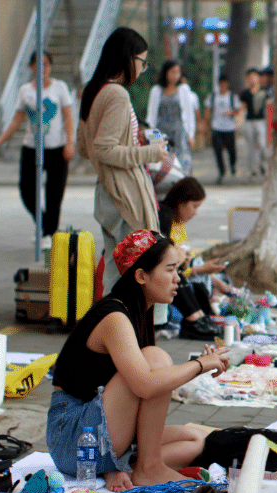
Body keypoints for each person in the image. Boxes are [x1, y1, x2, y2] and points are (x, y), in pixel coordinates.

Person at [46, 230, 229, 492]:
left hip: (95, 430)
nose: (178, 279)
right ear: (141, 275)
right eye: (170, 270)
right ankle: (149, 468)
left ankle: (126, 467)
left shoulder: (136, 310)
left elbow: (148, 390)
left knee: (196, 439)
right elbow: (146, 385)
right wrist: (200, 364)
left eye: (178, 269)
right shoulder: (115, 317)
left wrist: (200, 365)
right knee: (155, 358)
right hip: (73, 438)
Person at [77, 27, 167, 294]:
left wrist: (131, 143)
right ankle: (123, 330)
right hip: (124, 194)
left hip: (107, 191)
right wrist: (151, 152)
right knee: (135, 272)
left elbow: (84, 148)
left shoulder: (93, 90)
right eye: (142, 62)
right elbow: (104, 149)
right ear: (129, 59)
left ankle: (111, 329)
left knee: (116, 270)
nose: (142, 68)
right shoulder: (116, 94)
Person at [0, 52, 74, 242]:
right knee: (26, 190)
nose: (42, 68)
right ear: (31, 67)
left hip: (56, 148)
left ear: (50, 66)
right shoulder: (25, 90)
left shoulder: (60, 88)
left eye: (45, 64)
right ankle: (44, 224)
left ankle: (49, 233)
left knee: (54, 194)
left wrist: (69, 142)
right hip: (32, 148)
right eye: (37, 64)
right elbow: (17, 120)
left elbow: (68, 116)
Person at [157, 178, 227, 340]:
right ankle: (193, 318)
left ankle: (198, 316)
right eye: (194, 206)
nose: (195, 212)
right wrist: (190, 265)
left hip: (177, 270)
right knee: (178, 276)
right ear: (182, 203)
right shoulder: (165, 218)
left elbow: (181, 262)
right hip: (165, 273)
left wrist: (185, 261)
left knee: (216, 279)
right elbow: (163, 259)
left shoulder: (178, 222)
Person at [147, 60, 196, 175]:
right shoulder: (156, 90)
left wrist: (191, 134)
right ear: (166, 73)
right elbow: (152, 114)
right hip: (162, 131)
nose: (176, 76)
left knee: (182, 160)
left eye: (178, 72)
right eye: (173, 72)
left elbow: (189, 114)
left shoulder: (183, 89)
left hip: (179, 131)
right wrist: (151, 135)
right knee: (163, 162)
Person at [204, 75, 241, 184]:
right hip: (217, 127)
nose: (223, 86)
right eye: (221, 84)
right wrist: (206, 125)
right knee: (218, 150)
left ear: (227, 84)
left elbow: (238, 110)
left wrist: (231, 113)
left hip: (229, 128)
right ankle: (222, 172)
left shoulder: (232, 97)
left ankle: (233, 165)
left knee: (232, 150)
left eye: (225, 83)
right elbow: (208, 110)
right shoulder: (213, 96)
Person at [239, 68, 268, 179]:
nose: (252, 79)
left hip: (261, 121)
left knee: (262, 144)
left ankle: (263, 163)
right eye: (250, 77)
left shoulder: (264, 92)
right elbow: (242, 108)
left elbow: (268, 107)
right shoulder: (245, 93)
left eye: (254, 76)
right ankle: (253, 169)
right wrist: (238, 122)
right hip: (249, 122)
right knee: (251, 146)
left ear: (258, 78)